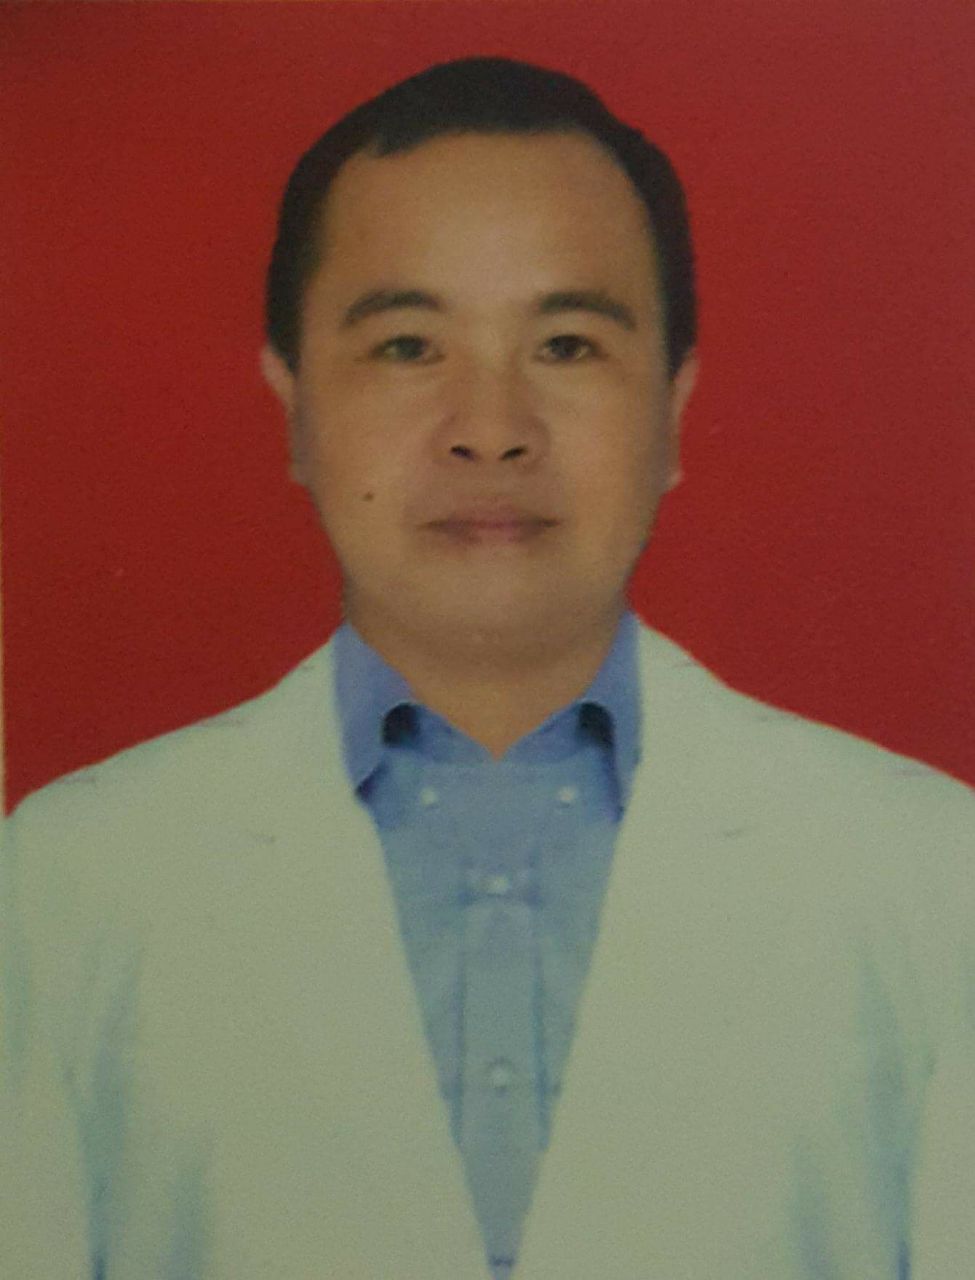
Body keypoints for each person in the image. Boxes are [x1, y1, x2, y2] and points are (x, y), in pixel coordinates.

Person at [2, 56, 973, 1280]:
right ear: (293, 409)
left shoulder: (931, 873)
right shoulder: (63, 883)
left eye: (567, 344)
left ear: (675, 409)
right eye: (409, 345)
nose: (491, 427)